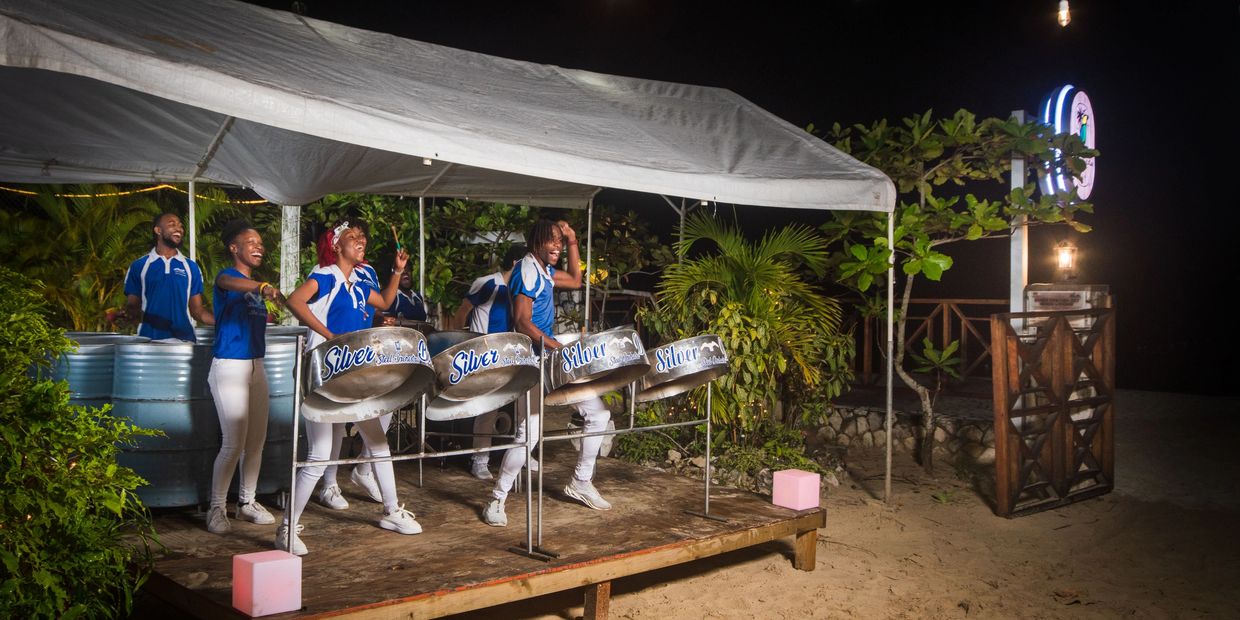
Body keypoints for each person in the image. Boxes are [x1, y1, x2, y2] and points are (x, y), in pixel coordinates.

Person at [276, 220, 419, 555]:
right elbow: (294, 301)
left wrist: (397, 272)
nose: (361, 241)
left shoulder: (356, 282)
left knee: (379, 443)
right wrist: (328, 337)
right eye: (352, 237)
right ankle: (286, 528)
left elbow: (383, 301)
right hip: (325, 372)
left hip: (354, 373)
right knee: (318, 454)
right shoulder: (325, 276)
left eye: (363, 238)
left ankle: (391, 511)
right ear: (336, 246)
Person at [482, 219, 613, 528]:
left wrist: (571, 240)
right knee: (528, 435)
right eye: (551, 240)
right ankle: (497, 499)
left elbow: (577, 280)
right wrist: (555, 346)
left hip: (549, 357)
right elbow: (521, 321)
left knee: (598, 415)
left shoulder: (544, 270)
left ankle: (581, 482)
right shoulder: (527, 270)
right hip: (532, 359)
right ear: (536, 242)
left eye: (558, 241)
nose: (555, 245)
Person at [205, 220, 284, 534]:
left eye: (260, 243)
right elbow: (230, 284)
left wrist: (266, 301)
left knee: (256, 443)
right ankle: (216, 508)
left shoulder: (253, 290)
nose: (258, 246)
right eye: (250, 242)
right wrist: (262, 288)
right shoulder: (228, 277)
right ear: (233, 248)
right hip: (229, 367)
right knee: (233, 443)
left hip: (256, 366)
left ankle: (247, 503)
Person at [451, 244, 526, 481]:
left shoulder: (519, 290)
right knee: (488, 407)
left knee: (523, 403)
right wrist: (460, 344)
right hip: (484, 353)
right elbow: (462, 312)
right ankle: (479, 460)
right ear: (516, 264)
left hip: (509, 352)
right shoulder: (488, 283)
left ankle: (524, 452)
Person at [120, 212, 214, 341]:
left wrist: (222, 322)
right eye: (172, 224)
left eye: (180, 225)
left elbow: (197, 311)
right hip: (148, 342)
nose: (179, 228)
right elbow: (133, 307)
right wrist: (127, 314)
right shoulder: (139, 266)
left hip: (184, 342)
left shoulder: (191, 267)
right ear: (158, 230)